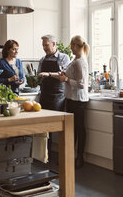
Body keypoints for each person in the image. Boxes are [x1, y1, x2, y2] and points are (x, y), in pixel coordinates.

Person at [37, 35, 70, 161]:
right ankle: (45, 155)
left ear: (53, 43)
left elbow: (65, 74)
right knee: (44, 127)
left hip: (58, 95)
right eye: (43, 45)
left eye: (46, 45)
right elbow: (39, 75)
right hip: (44, 94)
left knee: (56, 126)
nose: (44, 48)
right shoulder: (42, 59)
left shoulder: (63, 57)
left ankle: (62, 156)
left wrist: (49, 74)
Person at [58, 35, 89, 169]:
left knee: (78, 129)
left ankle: (79, 157)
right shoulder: (75, 60)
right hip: (72, 98)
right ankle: (71, 156)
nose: (70, 48)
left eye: (71, 45)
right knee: (72, 129)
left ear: (76, 46)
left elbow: (81, 84)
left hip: (78, 100)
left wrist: (66, 80)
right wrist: (65, 75)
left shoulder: (80, 61)